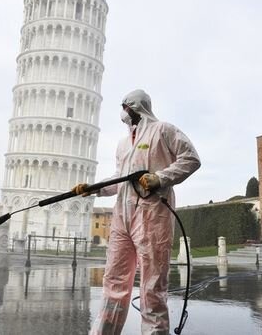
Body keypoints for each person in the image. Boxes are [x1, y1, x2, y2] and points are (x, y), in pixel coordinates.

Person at [73, 89, 201, 335]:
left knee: (152, 285)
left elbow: (191, 159)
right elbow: (120, 179)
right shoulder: (123, 144)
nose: (122, 113)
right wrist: (94, 188)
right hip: (122, 217)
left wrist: (160, 178)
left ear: (134, 107)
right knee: (114, 281)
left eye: (124, 107)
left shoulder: (163, 130)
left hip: (153, 215)